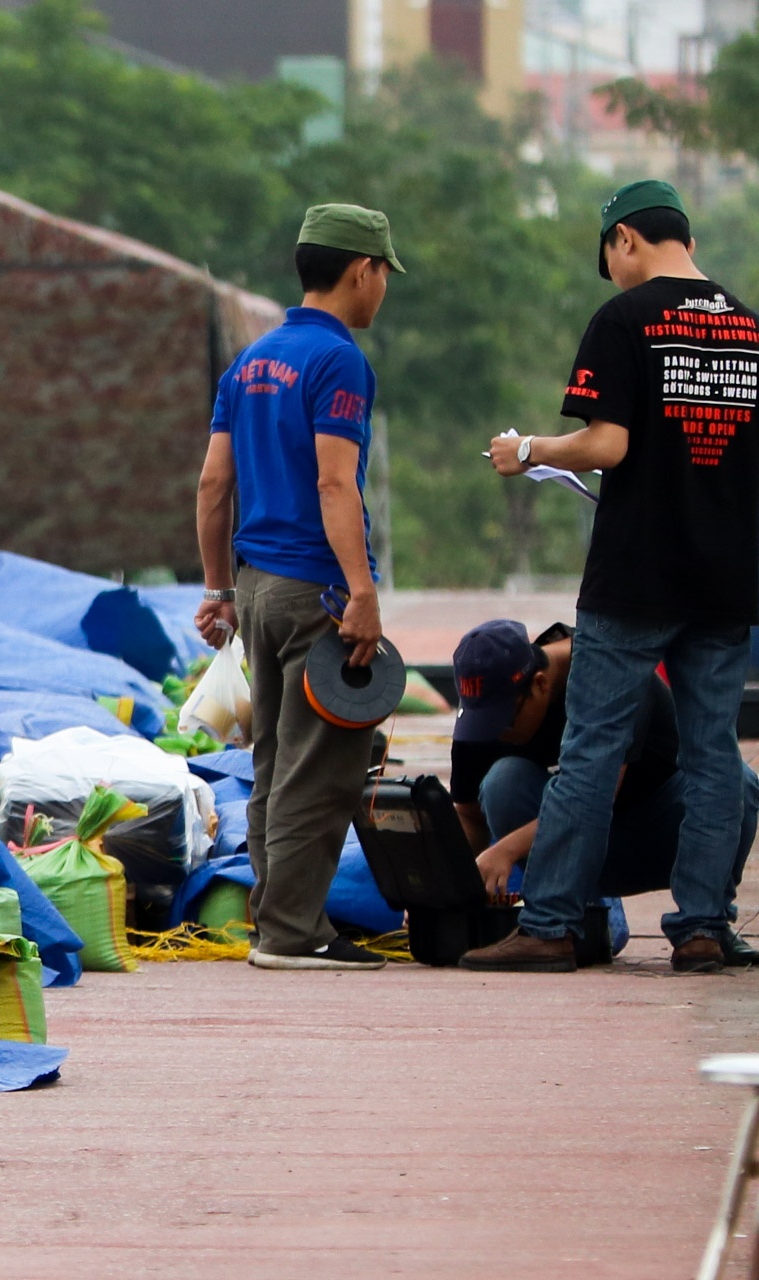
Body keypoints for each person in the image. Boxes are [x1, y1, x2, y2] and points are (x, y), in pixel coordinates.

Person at [462, 180, 759, 974]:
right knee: (712, 755)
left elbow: (608, 445)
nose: (614, 273)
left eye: (610, 257)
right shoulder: (749, 328)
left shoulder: (624, 321)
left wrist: (528, 451)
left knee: (591, 747)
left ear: (625, 239)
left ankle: (552, 921)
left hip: (638, 578)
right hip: (729, 580)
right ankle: (701, 927)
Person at [194, 203, 403, 971]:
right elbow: (333, 483)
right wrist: (363, 594)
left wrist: (219, 589)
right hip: (315, 590)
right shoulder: (338, 362)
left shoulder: (249, 363)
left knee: (276, 760)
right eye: (384, 274)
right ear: (362, 271)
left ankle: (274, 920)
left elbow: (215, 484)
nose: (383, 290)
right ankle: (291, 933)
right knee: (323, 766)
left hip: (255, 591)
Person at [450, 619, 758, 962]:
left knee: (738, 784)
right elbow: (469, 819)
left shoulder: (608, 673)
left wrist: (505, 849)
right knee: (502, 782)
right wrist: (444, 889)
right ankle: (576, 909)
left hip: (669, 841)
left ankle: (706, 922)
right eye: (483, 723)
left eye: (504, 722)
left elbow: (597, 794)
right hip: (573, 851)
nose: (496, 733)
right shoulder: (484, 712)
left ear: (539, 685)